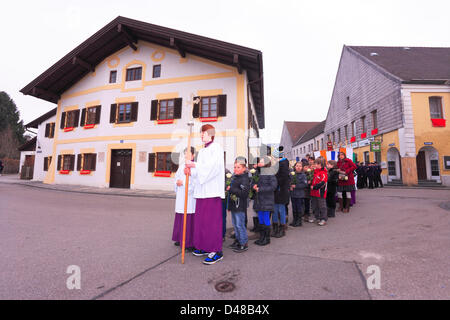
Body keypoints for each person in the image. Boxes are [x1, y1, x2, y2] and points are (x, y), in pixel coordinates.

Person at [185, 124, 225, 265]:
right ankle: (204, 246)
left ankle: (216, 250)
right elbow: (199, 173)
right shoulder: (201, 152)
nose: (201, 135)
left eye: (204, 132)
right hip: (201, 192)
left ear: (211, 134)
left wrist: (195, 166)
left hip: (212, 191)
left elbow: (214, 168)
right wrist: (191, 170)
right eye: (200, 133)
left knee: (212, 222)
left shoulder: (217, 148)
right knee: (201, 221)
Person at [172, 147, 197, 251]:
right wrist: (177, 183)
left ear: (193, 155)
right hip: (181, 196)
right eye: (185, 154)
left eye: (188, 154)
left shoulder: (195, 167)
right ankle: (180, 238)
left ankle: (189, 242)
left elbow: (196, 183)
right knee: (180, 217)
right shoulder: (182, 166)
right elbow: (176, 177)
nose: (186, 156)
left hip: (189, 198)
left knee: (188, 220)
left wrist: (185, 184)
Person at [253, 156, 278, 246]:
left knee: (266, 218)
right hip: (259, 200)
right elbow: (253, 182)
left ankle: (267, 238)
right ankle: (262, 237)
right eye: (260, 161)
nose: (260, 162)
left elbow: (273, 186)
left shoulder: (270, 173)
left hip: (267, 200)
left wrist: (261, 189)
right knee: (260, 219)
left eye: (262, 161)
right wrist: (254, 186)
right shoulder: (257, 172)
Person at [227, 157, 251, 253]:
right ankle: (238, 240)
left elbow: (244, 194)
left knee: (240, 225)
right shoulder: (235, 177)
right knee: (235, 225)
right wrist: (229, 206)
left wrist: (231, 189)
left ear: (244, 168)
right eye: (235, 167)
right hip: (234, 206)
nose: (235, 169)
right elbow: (231, 193)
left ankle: (243, 243)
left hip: (240, 206)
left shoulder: (244, 179)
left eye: (238, 167)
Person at [272, 146, 290, 238]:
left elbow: (283, 178)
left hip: (281, 190)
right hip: (276, 190)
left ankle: (282, 228)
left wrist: (275, 183)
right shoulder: (279, 163)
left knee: (280, 209)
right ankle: (275, 227)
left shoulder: (283, 163)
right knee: (275, 209)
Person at [289, 161, 308, 227]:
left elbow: (305, 184)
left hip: (300, 194)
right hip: (293, 194)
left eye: (300, 166)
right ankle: (295, 220)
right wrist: (290, 186)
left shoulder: (303, 175)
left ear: (302, 167)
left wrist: (296, 186)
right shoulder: (292, 174)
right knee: (294, 208)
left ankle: (299, 221)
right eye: (297, 166)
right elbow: (289, 182)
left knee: (299, 208)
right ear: (295, 167)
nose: (298, 167)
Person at [311, 157, 328, 226]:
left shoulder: (323, 173)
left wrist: (314, 187)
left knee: (322, 206)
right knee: (315, 206)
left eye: (316, 164)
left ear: (320, 164)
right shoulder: (316, 172)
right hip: (314, 193)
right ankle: (317, 217)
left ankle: (323, 219)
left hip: (320, 193)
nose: (314, 165)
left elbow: (323, 182)